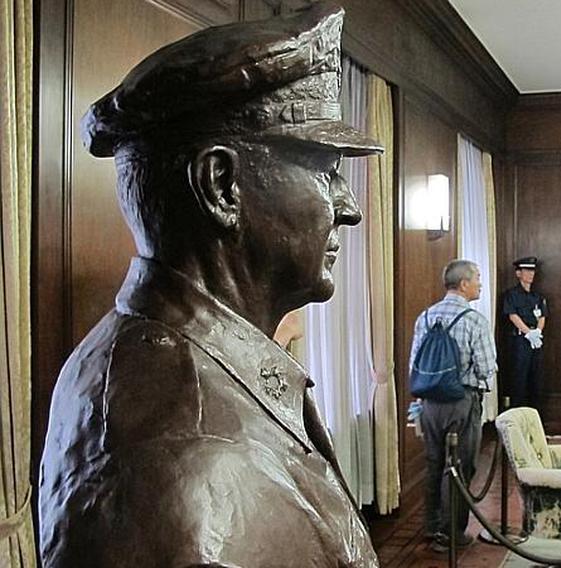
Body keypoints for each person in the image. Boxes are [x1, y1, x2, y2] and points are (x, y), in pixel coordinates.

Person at [38, 5, 383, 567]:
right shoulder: (191, 490)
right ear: (222, 186)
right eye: (325, 169)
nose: (348, 208)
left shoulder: (170, 351)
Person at [410, 260, 497, 551]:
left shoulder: (424, 317)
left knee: (434, 463)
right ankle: (451, 534)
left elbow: (415, 364)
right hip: (462, 401)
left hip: (430, 403)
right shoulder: (475, 321)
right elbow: (486, 369)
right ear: (464, 284)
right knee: (460, 466)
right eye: (478, 279)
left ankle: (431, 526)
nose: (480, 284)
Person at [503, 256, 549, 409]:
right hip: (520, 340)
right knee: (519, 378)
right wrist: (528, 333)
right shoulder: (511, 294)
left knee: (536, 378)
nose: (531, 274)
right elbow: (512, 315)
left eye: (533, 271)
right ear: (518, 273)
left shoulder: (537, 296)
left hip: (536, 340)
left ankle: (535, 415)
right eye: (527, 270)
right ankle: (518, 414)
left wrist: (537, 332)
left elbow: (542, 316)